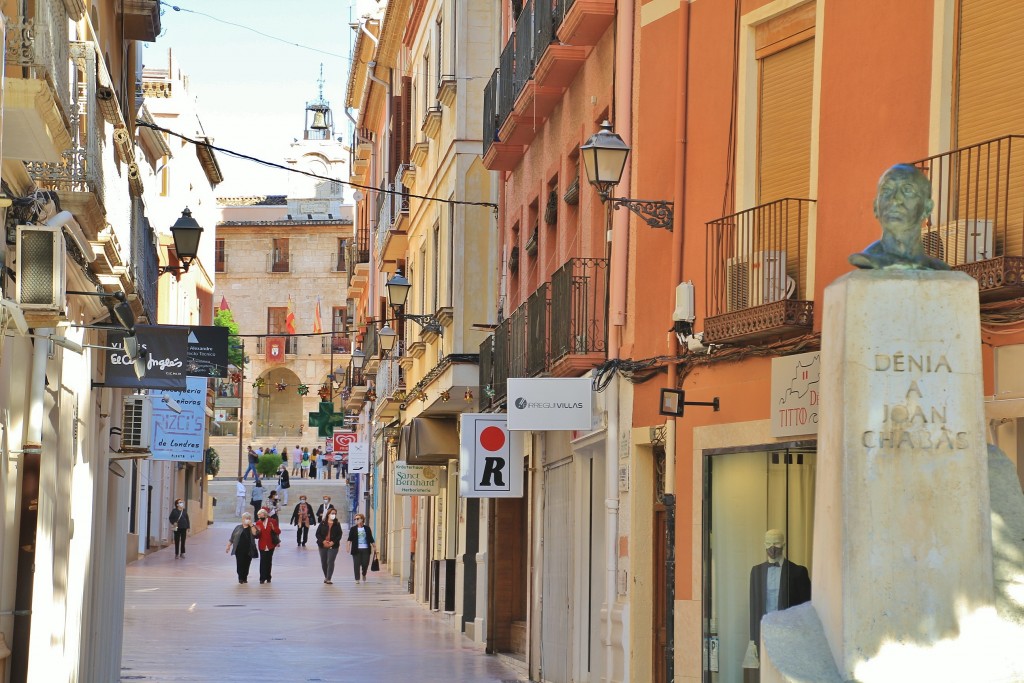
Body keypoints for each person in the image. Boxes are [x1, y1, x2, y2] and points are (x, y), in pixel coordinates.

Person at [849, 164, 951, 271]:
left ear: (927, 208)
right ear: (875, 207)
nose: (895, 200)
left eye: (907, 190)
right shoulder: (867, 260)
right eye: (886, 190)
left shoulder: (939, 269)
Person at [747, 529, 811, 666]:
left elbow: (806, 609)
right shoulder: (756, 572)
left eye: (776, 543)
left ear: (784, 544)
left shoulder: (798, 572)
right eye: (769, 543)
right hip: (765, 634)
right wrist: (753, 640)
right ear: (764, 544)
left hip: (790, 636)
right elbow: (754, 607)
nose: (772, 547)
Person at [226, 512, 259, 584]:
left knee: (247, 564)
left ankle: (245, 577)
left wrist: (251, 525)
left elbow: (255, 534)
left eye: (248, 518)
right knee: (240, 563)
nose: (247, 520)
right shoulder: (238, 527)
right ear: (242, 519)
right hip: (239, 549)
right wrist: (228, 546)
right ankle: (240, 578)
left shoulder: (252, 527)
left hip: (249, 549)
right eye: (245, 518)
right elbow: (232, 538)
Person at [315, 506, 344, 584]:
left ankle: (328, 578)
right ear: (328, 514)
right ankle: (326, 576)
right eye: (332, 513)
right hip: (323, 545)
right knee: (324, 562)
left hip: (333, 546)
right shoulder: (323, 523)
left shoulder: (337, 524)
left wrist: (333, 542)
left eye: (335, 514)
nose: (333, 515)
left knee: (330, 561)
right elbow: (317, 534)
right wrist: (323, 541)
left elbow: (339, 535)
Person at [346, 513, 377, 583]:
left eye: (358, 519)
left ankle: (364, 574)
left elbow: (371, 538)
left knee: (365, 564)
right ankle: (357, 579)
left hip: (366, 549)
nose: (356, 520)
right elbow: (349, 539)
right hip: (356, 549)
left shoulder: (367, 528)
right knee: (356, 564)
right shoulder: (353, 529)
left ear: (362, 519)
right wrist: (348, 547)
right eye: (355, 519)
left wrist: (374, 546)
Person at [255, 508, 281, 584]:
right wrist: (255, 532)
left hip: (270, 544)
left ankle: (268, 577)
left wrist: (273, 528)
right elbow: (257, 536)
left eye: (260, 515)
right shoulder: (258, 523)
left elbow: (278, 531)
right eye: (258, 515)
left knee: (269, 561)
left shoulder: (273, 521)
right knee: (263, 561)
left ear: (265, 514)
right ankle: (262, 578)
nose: (259, 517)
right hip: (262, 545)